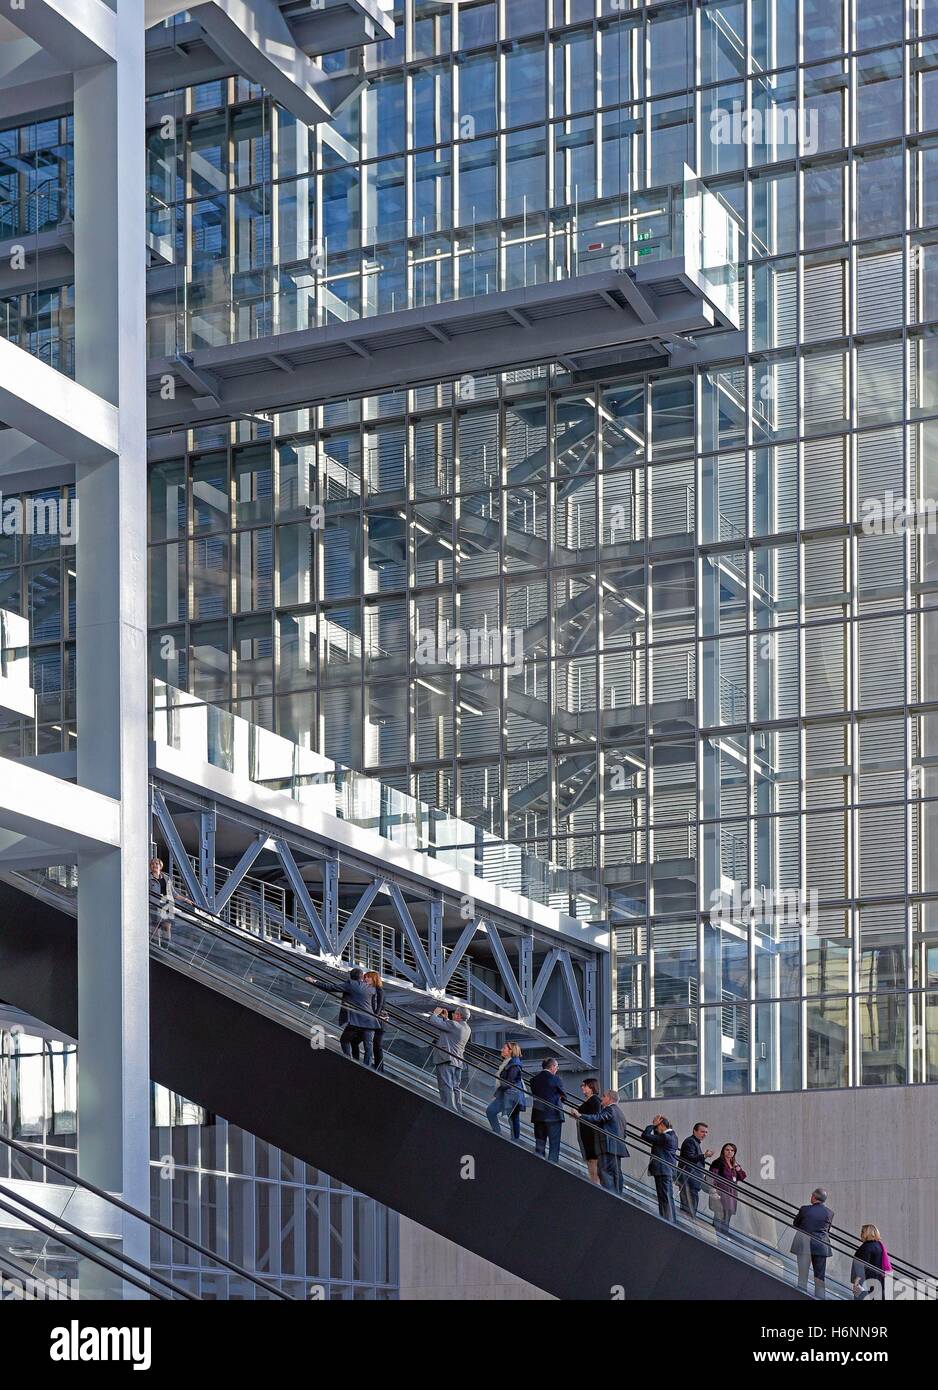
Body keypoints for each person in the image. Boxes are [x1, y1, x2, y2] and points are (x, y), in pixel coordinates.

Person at [426, 1005, 471, 1112]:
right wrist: (446, 1018)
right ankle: (458, 1109)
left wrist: (435, 1013)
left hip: (447, 1059)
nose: (453, 1014)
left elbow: (434, 1021)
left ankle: (449, 1109)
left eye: (455, 1013)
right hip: (458, 1061)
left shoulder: (454, 1025)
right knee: (455, 1087)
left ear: (459, 1016)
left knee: (445, 1085)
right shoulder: (467, 1028)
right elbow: (451, 1030)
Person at [792, 1188, 835, 1299]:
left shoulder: (804, 1209)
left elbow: (796, 1224)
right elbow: (827, 1229)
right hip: (821, 1246)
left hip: (803, 1244)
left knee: (802, 1275)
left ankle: (801, 1297)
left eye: (811, 1195)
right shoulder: (829, 1213)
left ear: (814, 1197)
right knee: (819, 1278)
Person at [337, 968, 380, 1065]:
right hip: (370, 1021)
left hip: (357, 1021)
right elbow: (375, 1005)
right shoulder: (371, 989)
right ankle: (366, 1066)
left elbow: (330, 987)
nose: (366, 978)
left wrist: (314, 981)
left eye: (368, 977)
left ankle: (349, 1060)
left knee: (344, 1040)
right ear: (361, 976)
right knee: (368, 1046)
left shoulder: (351, 985)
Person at [641, 1115, 679, 1222]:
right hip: (667, 1170)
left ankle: (667, 1220)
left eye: (657, 1127)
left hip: (662, 1170)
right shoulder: (673, 1135)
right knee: (667, 1196)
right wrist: (656, 1126)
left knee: (664, 1197)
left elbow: (645, 1136)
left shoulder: (665, 1137)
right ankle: (670, 1220)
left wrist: (652, 1125)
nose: (656, 1129)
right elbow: (657, 1138)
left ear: (662, 1125)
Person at [485, 1042, 526, 1141]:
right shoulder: (508, 1062)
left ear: (511, 1051)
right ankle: (499, 1133)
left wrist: (496, 1094)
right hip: (508, 1095)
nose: (502, 1050)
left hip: (511, 1096)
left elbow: (508, 1082)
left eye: (504, 1048)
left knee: (512, 1118)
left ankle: (514, 1140)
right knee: (510, 1117)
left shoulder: (514, 1064)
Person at [593, 1089, 629, 1194]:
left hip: (608, 1147)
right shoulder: (620, 1112)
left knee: (604, 1172)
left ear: (609, 1098)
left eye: (603, 1096)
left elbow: (598, 1118)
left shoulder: (609, 1110)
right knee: (616, 1174)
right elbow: (624, 1133)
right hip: (617, 1148)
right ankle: (617, 1196)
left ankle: (611, 1196)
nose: (601, 1098)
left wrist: (581, 1116)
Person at [530, 1058, 566, 1163]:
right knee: (554, 1145)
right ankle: (552, 1169)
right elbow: (564, 1096)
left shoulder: (533, 1080)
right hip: (553, 1115)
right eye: (557, 1066)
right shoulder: (556, 1079)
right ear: (552, 1067)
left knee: (540, 1143)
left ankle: (540, 1167)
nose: (557, 1069)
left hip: (538, 1114)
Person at [708, 1143, 747, 1237]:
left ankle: (723, 1237)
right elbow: (711, 1177)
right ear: (723, 1151)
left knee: (727, 1216)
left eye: (732, 1150)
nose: (729, 1152)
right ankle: (716, 1237)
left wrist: (738, 1168)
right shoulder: (718, 1162)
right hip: (721, 1192)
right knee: (719, 1215)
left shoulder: (734, 1164)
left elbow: (742, 1177)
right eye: (727, 1150)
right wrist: (713, 1191)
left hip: (731, 1194)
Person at [679, 1122, 714, 1219]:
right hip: (689, 1178)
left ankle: (689, 1221)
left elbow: (694, 1159)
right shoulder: (690, 1141)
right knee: (689, 1206)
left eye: (706, 1132)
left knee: (691, 1204)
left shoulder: (695, 1142)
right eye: (702, 1132)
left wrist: (703, 1157)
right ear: (694, 1131)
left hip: (692, 1179)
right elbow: (689, 1158)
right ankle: (688, 1224)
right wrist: (704, 1156)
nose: (705, 1134)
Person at [851, 1224, 889, 1300]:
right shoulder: (878, 1245)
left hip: (867, 1281)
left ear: (866, 1233)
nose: (861, 1234)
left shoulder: (866, 1247)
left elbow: (862, 1265)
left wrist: (856, 1281)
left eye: (862, 1232)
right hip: (877, 1279)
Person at [577, 1079, 604, 1184]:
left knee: (593, 1161)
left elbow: (596, 1117)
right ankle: (594, 1183)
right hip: (587, 1135)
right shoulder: (589, 1100)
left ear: (592, 1087)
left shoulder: (595, 1100)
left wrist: (580, 1115)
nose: (582, 1087)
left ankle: (595, 1185)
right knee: (590, 1161)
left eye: (585, 1085)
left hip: (592, 1135)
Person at [363, 970, 386, 1071]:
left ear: (374, 979)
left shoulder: (378, 990)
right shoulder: (373, 990)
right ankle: (378, 1068)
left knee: (376, 1046)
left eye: (368, 977)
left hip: (377, 1021)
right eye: (365, 977)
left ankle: (377, 1067)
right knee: (376, 1045)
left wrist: (374, 1017)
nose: (366, 979)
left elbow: (379, 1006)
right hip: (376, 1020)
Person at [149, 857, 175, 946]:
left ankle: (165, 948)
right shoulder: (148, 878)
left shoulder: (166, 878)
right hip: (154, 905)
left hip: (166, 906)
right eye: (152, 864)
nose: (154, 865)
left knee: (167, 926)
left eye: (156, 864)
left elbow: (173, 893)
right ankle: (156, 948)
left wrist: (186, 899)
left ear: (160, 866)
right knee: (155, 928)